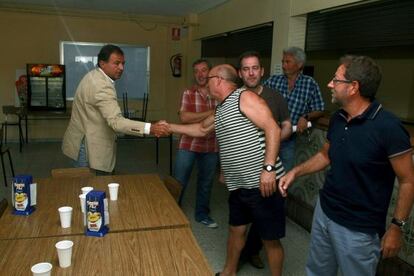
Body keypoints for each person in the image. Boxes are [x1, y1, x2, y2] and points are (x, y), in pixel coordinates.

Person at [279, 55, 414, 276]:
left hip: (358, 229)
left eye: (336, 79)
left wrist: (396, 228)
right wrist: (295, 171)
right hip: (325, 211)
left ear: (353, 87)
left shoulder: (388, 127)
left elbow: (408, 180)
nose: (330, 84)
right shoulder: (339, 117)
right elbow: (326, 154)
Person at [169, 64, 286, 276]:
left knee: (270, 239)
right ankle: (228, 272)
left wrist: (269, 169)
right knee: (236, 229)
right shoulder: (223, 107)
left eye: (210, 77)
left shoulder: (245, 98)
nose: (206, 80)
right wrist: (169, 127)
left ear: (219, 80)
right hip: (239, 184)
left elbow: (273, 127)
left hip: (263, 182)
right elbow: (201, 129)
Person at [62, 44, 169, 174]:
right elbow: (116, 122)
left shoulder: (93, 75)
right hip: (90, 150)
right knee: (94, 190)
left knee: (86, 189)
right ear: (102, 63)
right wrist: (150, 128)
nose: (121, 68)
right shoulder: (101, 85)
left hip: (80, 143)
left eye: (123, 63)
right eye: (116, 63)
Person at [237, 51, 291, 270]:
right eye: (246, 69)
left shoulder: (274, 96)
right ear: (240, 73)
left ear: (262, 71)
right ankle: (243, 255)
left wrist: (277, 136)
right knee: (241, 218)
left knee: (266, 219)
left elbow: (285, 124)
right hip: (243, 170)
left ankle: (252, 251)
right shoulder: (234, 97)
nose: (251, 73)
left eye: (255, 68)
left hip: (269, 168)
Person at [174, 59, 219, 228]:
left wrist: (200, 116)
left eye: (204, 70)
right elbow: (184, 117)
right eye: (196, 71)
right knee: (179, 180)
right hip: (188, 144)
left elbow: (219, 117)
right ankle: (172, 211)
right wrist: (212, 113)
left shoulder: (218, 94)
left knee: (206, 182)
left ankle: (202, 214)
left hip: (211, 145)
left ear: (210, 72)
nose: (200, 74)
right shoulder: (188, 93)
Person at [264, 46, 324, 171]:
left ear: (299, 64)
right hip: (268, 137)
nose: (283, 65)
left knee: (283, 175)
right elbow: (256, 100)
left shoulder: (310, 84)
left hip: (289, 141)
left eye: (287, 62)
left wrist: (305, 117)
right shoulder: (273, 81)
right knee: (264, 172)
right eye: (282, 62)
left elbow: (319, 109)